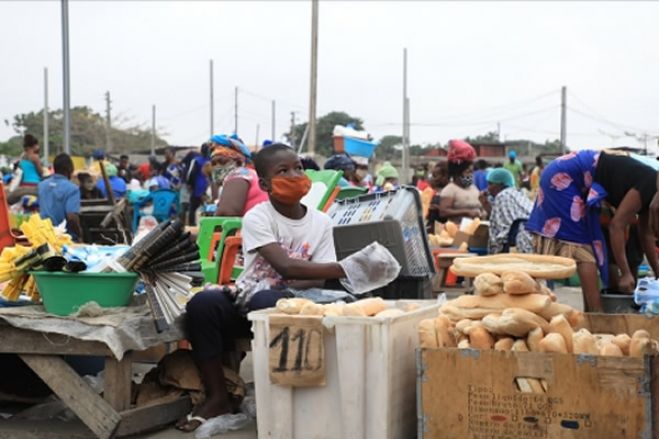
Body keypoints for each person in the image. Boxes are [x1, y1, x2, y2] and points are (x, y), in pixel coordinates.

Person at [179, 144, 344, 432]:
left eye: (298, 168)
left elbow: (318, 279)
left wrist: (302, 280)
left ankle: (283, 397)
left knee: (269, 299)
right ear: (265, 184)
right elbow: (287, 267)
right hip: (248, 301)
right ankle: (218, 396)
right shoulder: (258, 216)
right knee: (202, 304)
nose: (294, 175)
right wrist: (350, 268)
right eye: (283, 171)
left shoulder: (321, 222)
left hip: (294, 303)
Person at [526, 149, 659, 312]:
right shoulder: (649, 184)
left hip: (573, 176)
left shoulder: (651, 194)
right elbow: (616, 226)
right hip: (563, 176)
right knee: (583, 250)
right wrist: (625, 273)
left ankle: (591, 314)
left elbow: (646, 235)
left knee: (590, 245)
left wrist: (658, 274)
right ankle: (596, 315)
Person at [209, 134, 268, 217]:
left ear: (238, 162)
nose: (217, 167)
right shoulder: (250, 174)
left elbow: (226, 213)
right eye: (213, 164)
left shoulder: (239, 174)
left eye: (222, 162)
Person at [480, 168, 533, 254]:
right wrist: (485, 204)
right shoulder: (518, 193)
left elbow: (502, 232)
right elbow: (502, 218)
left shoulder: (503, 196)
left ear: (500, 185)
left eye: (490, 184)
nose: (488, 188)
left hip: (519, 244)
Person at [38, 154, 82, 241]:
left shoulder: (42, 185)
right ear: (70, 169)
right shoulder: (72, 189)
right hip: (63, 237)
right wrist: (80, 233)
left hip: (43, 235)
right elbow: (72, 217)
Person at [439, 139, 484, 223]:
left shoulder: (473, 188)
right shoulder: (450, 190)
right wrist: (467, 212)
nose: (470, 175)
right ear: (457, 173)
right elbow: (443, 212)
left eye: (471, 172)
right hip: (458, 232)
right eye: (467, 172)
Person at [186, 143, 211, 226]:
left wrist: (189, 184)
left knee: (193, 208)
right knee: (207, 208)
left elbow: (191, 174)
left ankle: (192, 225)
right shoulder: (210, 160)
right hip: (208, 188)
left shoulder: (196, 160)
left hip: (197, 188)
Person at [426, 161, 449, 232]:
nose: (433, 179)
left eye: (436, 176)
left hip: (445, 231)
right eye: (433, 175)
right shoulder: (430, 191)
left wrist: (438, 208)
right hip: (433, 230)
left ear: (446, 176)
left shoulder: (451, 192)